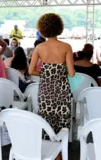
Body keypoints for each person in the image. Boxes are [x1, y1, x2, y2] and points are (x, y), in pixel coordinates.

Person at [29, 13, 74, 159]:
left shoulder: (39, 47)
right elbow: (72, 74)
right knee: (62, 122)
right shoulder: (66, 46)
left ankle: (48, 152)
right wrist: (60, 71)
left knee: (46, 121)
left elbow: (31, 70)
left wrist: (45, 73)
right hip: (62, 92)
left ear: (42, 29)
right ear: (59, 27)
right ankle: (60, 153)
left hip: (45, 92)